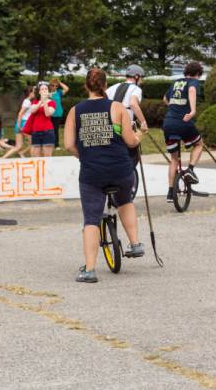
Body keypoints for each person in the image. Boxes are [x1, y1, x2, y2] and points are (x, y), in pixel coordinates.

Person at [64, 68, 146, 283]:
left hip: (92, 172)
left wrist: (85, 156)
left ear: (86, 86)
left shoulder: (76, 110)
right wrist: (139, 136)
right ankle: (135, 244)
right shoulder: (117, 107)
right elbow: (130, 141)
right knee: (125, 200)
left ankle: (90, 270)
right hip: (121, 169)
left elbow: (68, 145)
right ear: (105, 84)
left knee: (91, 218)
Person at [162, 61, 204, 202]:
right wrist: (192, 111)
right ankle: (190, 170)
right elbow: (192, 90)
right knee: (199, 144)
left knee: (174, 158)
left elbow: (165, 99)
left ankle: (170, 192)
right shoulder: (194, 82)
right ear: (197, 74)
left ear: (186, 71)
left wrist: (174, 107)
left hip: (168, 123)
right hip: (183, 122)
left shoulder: (176, 82)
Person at [105, 64, 149, 132]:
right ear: (136, 76)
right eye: (141, 78)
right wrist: (143, 122)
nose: (142, 81)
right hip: (126, 126)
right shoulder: (136, 89)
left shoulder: (113, 87)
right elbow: (133, 104)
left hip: (110, 125)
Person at [1, 86, 34, 159]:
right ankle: (23, 153)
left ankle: (3, 158)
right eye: (34, 91)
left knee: (18, 146)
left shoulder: (26, 101)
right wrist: (19, 126)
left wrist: (18, 125)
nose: (35, 93)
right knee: (34, 143)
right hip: (24, 124)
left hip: (20, 124)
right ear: (30, 93)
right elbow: (20, 113)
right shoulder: (27, 102)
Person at [28, 81, 56, 157]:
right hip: (36, 131)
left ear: (48, 91)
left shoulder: (52, 102)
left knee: (47, 156)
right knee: (36, 156)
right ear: (39, 92)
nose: (44, 90)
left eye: (46, 89)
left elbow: (48, 114)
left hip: (48, 131)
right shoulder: (35, 102)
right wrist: (41, 102)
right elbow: (33, 111)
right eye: (42, 89)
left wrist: (45, 101)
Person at [49, 79, 69, 150]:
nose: (54, 87)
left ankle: (56, 145)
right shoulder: (47, 94)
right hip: (49, 114)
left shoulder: (59, 92)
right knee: (49, 130)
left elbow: (66, 89)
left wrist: (59, 82)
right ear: (50, 86)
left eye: (56, 86)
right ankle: (49, 144)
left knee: (55, 130)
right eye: (53, 85)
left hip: (58, 114)